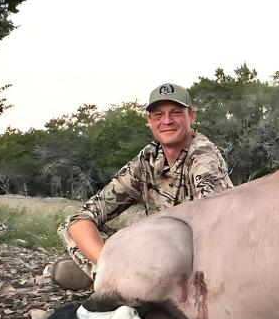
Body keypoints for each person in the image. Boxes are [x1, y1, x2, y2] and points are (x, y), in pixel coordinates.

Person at [51, 82, 233, 290]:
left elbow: (215, 229)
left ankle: (123, 288)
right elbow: (89, 214)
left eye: (175, 113)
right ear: (150, 121)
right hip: (159, 256)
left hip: (203, 260)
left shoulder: (203, 155)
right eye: (158, 115)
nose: (166, 121)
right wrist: (106, 264)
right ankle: (111, 278)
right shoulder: (148, 158)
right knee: (73, 225)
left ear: (191, 116)